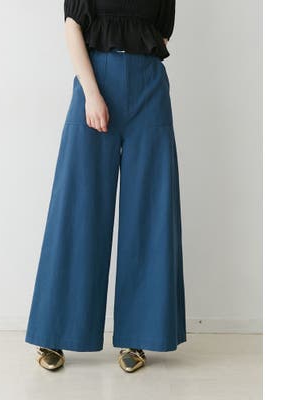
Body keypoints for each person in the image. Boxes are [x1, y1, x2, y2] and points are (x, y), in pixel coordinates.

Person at [25, 0, 186, 373]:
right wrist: (92, 92)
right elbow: (72, 26)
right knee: (78, 207)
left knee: (150, 209)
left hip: (149, 87)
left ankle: (139, 335)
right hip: (95, 80)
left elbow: (161, 35)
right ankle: (56, 331)